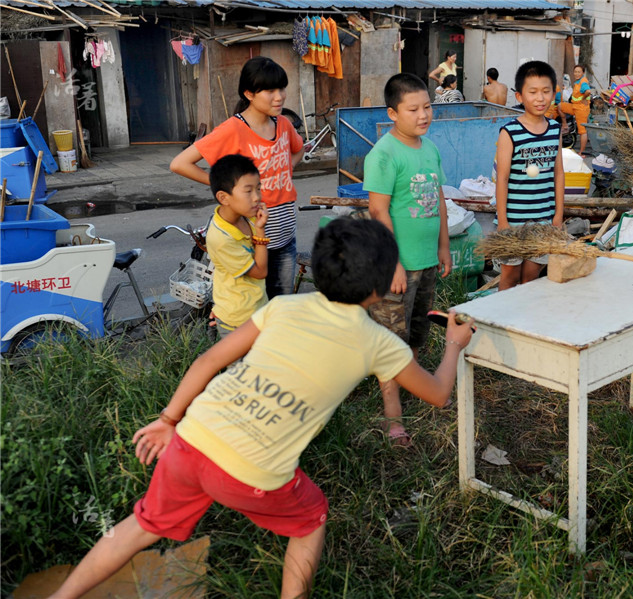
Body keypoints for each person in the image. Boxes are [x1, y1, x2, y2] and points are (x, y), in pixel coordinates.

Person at [47, 218, 475, 599]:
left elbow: (209, 360)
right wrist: (454, 345)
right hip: (252, 472)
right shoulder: (381, 342)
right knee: (311, 520)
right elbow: (438, 393)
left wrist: (166, 420)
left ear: (321, 268)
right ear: (382, 284)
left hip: (191, 439)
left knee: (139, 526)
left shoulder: (284, 306)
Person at [363, 73, 452, 446]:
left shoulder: (428, 149)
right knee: (390, 342)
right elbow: (378, 212)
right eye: (413, 109)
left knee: (416, 331)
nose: (423, 115)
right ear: (392, 113)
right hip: (397, 267)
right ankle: (392, 416)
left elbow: (440, 201)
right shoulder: (383, 154)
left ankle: (413, 384)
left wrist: (443, 246)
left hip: (427, 261)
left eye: (427, 107)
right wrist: (394, 263)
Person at [171, 56, 304, 299]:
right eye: (270, 90)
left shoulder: (283, 124)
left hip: (286, 237)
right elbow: (180, 164)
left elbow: (299, 149)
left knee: (281, 306)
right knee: (254, 308)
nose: (280, 96)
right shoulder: (233, 129)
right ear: (250, 94)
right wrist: (229, 190)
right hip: (252, 241)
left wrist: (283, 170)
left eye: (282, 88)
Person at [494, 60, 565, 291]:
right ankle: (499, 322)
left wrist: (558, 216)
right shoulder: (509, 132)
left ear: (554, 93)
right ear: (519, 96)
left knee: (530, 279)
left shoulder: (555, 129)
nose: (540, 98)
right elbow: (502, 179)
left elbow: (558, 174)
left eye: (546, 91)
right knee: (510, 278)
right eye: (532, 92)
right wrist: (502, 221)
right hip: (513, 221)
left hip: (543, 220)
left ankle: (521, 325)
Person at [206, 154, 269, 337]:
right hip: (238, 320)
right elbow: (260, 272)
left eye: (258, 188)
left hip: (255, 308)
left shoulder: (245, 217)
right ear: (224, 198)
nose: (257, 197)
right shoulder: (221, 238)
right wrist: (261, 232)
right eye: (248, 191)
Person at [558, 64, 591, 156]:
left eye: (579, 72)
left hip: (581, 109)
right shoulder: (577, 82)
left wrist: (584, 98)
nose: (576, 74)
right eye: (575, 72)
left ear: (583, 73)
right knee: (560, 106)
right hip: (574, 107)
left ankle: (581, 152)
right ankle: (565, 125)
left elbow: (588, 91)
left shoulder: (583, 81)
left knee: (582, 131)